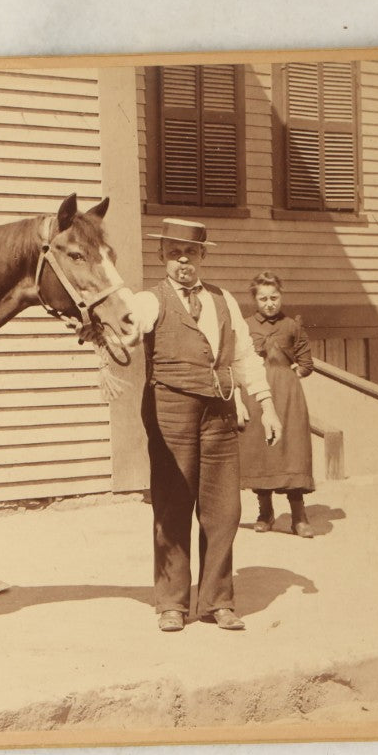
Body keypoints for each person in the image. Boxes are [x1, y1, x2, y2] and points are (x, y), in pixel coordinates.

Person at [125, 219, 280, 633]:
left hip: (221, 409)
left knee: (224, 508)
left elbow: (245, 355)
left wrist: (265, 404)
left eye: (190, 253)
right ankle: (172, 603)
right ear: (162, 256)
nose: (182, 261)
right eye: (174, 253)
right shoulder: (149, 300)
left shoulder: (223, 300)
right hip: (170, 406)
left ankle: (216, 601)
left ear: (203, 256)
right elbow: (129, 326)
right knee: (174, 502)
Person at [237, 272, 317, 538]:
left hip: (288, 396)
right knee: (261, 452)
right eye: (263, 298)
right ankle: (265, 512)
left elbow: (307, 363)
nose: (269, 303)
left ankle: (299, 517)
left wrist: (293, 374)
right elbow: (236, 362)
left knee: (292, 450)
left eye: (274, 297)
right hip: (257, 394)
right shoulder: (245, 325)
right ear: (254, 299)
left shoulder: (292, 326)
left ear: (281, 296)